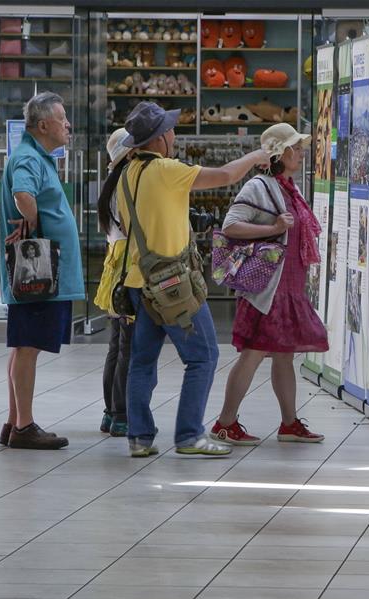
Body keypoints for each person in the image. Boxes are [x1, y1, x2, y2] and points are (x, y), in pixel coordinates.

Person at [117, 101, 270, 458]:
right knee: (203, 356)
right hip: (173, 287)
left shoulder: (125, 175)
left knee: (141, 362)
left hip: (138, 282)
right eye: (169, 130)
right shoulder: (167, 170)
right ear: (157, 139)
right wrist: (255, 156)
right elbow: (227, 176)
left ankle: (139, 437)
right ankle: (189, 435)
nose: (174, 134)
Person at [211, 123, 328, 445]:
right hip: (267, 289)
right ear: (281, 153)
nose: (302, 153)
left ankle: (289, 423)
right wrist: (273, 228)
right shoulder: (259, 186)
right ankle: (225, 422)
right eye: (297, 148)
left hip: (288, 287)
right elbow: (231, 226)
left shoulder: (290, 187)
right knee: (253, 352)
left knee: (283, 355)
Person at [0, 92, 82, 450]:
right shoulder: (29, 157)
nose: (68, 125)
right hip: (37, 272)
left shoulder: (39, 156)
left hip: (43, 274)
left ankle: (13, 421)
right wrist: (34, 225)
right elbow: (22, 194)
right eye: (62, 118)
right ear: (43, 124)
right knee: (28, 346)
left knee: (22, 346)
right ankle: (24, 426)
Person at [94, 128, 133, 437]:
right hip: (126, 267)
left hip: (112, 265)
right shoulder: (127, 184)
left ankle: (110, 413)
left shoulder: (110, 185)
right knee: (126, 346)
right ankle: (121, 414)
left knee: (115, 345)